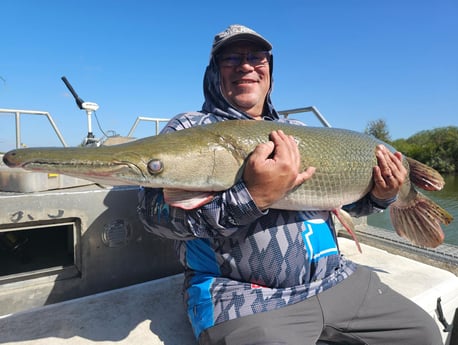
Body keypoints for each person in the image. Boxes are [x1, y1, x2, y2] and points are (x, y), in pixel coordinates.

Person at [138, 24, 442, 345]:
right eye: (231, 58)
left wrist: (381, 196)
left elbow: (343, 200)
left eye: (257, 57)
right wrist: (251, 196)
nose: (246, 66)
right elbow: (153, 215)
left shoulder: (295, 128)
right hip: (245, 298)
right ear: (213, 71)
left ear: (269, 69)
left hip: (335, 280)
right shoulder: (190, 127)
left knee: (422, 333)